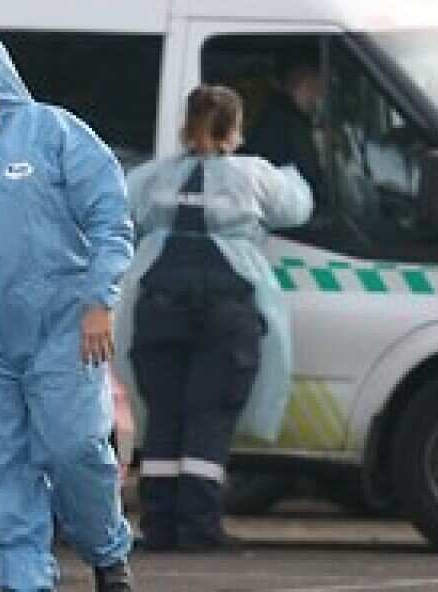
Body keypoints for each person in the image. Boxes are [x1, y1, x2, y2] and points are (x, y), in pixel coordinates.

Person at [0, 29, 135, 592]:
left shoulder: (58, 135)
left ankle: (106, 552)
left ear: (1, 78)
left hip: (63, 331)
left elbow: (110, 222)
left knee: (75, 449)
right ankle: (23, 581)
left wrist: (98, 302)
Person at [119, 84, 312, 552]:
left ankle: (159, 524)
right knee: (209, 417)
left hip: (158, 307)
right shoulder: (254, 176)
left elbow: (118, 204)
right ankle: (199, 527)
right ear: (235, 129)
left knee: (164, 416)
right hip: (225, 315)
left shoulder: (153, 177)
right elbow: (298, 206)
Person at [242, 55, 326, 194]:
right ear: (304, 83)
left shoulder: (270, 116)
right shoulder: (288, 125)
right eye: (316, 87)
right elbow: (310, 182)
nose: (318, 96)